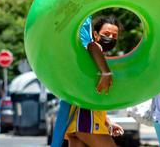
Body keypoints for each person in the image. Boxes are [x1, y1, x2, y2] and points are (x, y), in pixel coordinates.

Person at [50, 15, 125, 147]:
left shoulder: (93, 60)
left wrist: (107, 122)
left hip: (76, 120)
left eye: (114, 35)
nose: (110, 38)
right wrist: (106, 72)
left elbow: (92, 93)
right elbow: (92, 46)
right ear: (96, 34)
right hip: (85, 119)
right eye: (106, 33)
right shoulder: (94, 49)